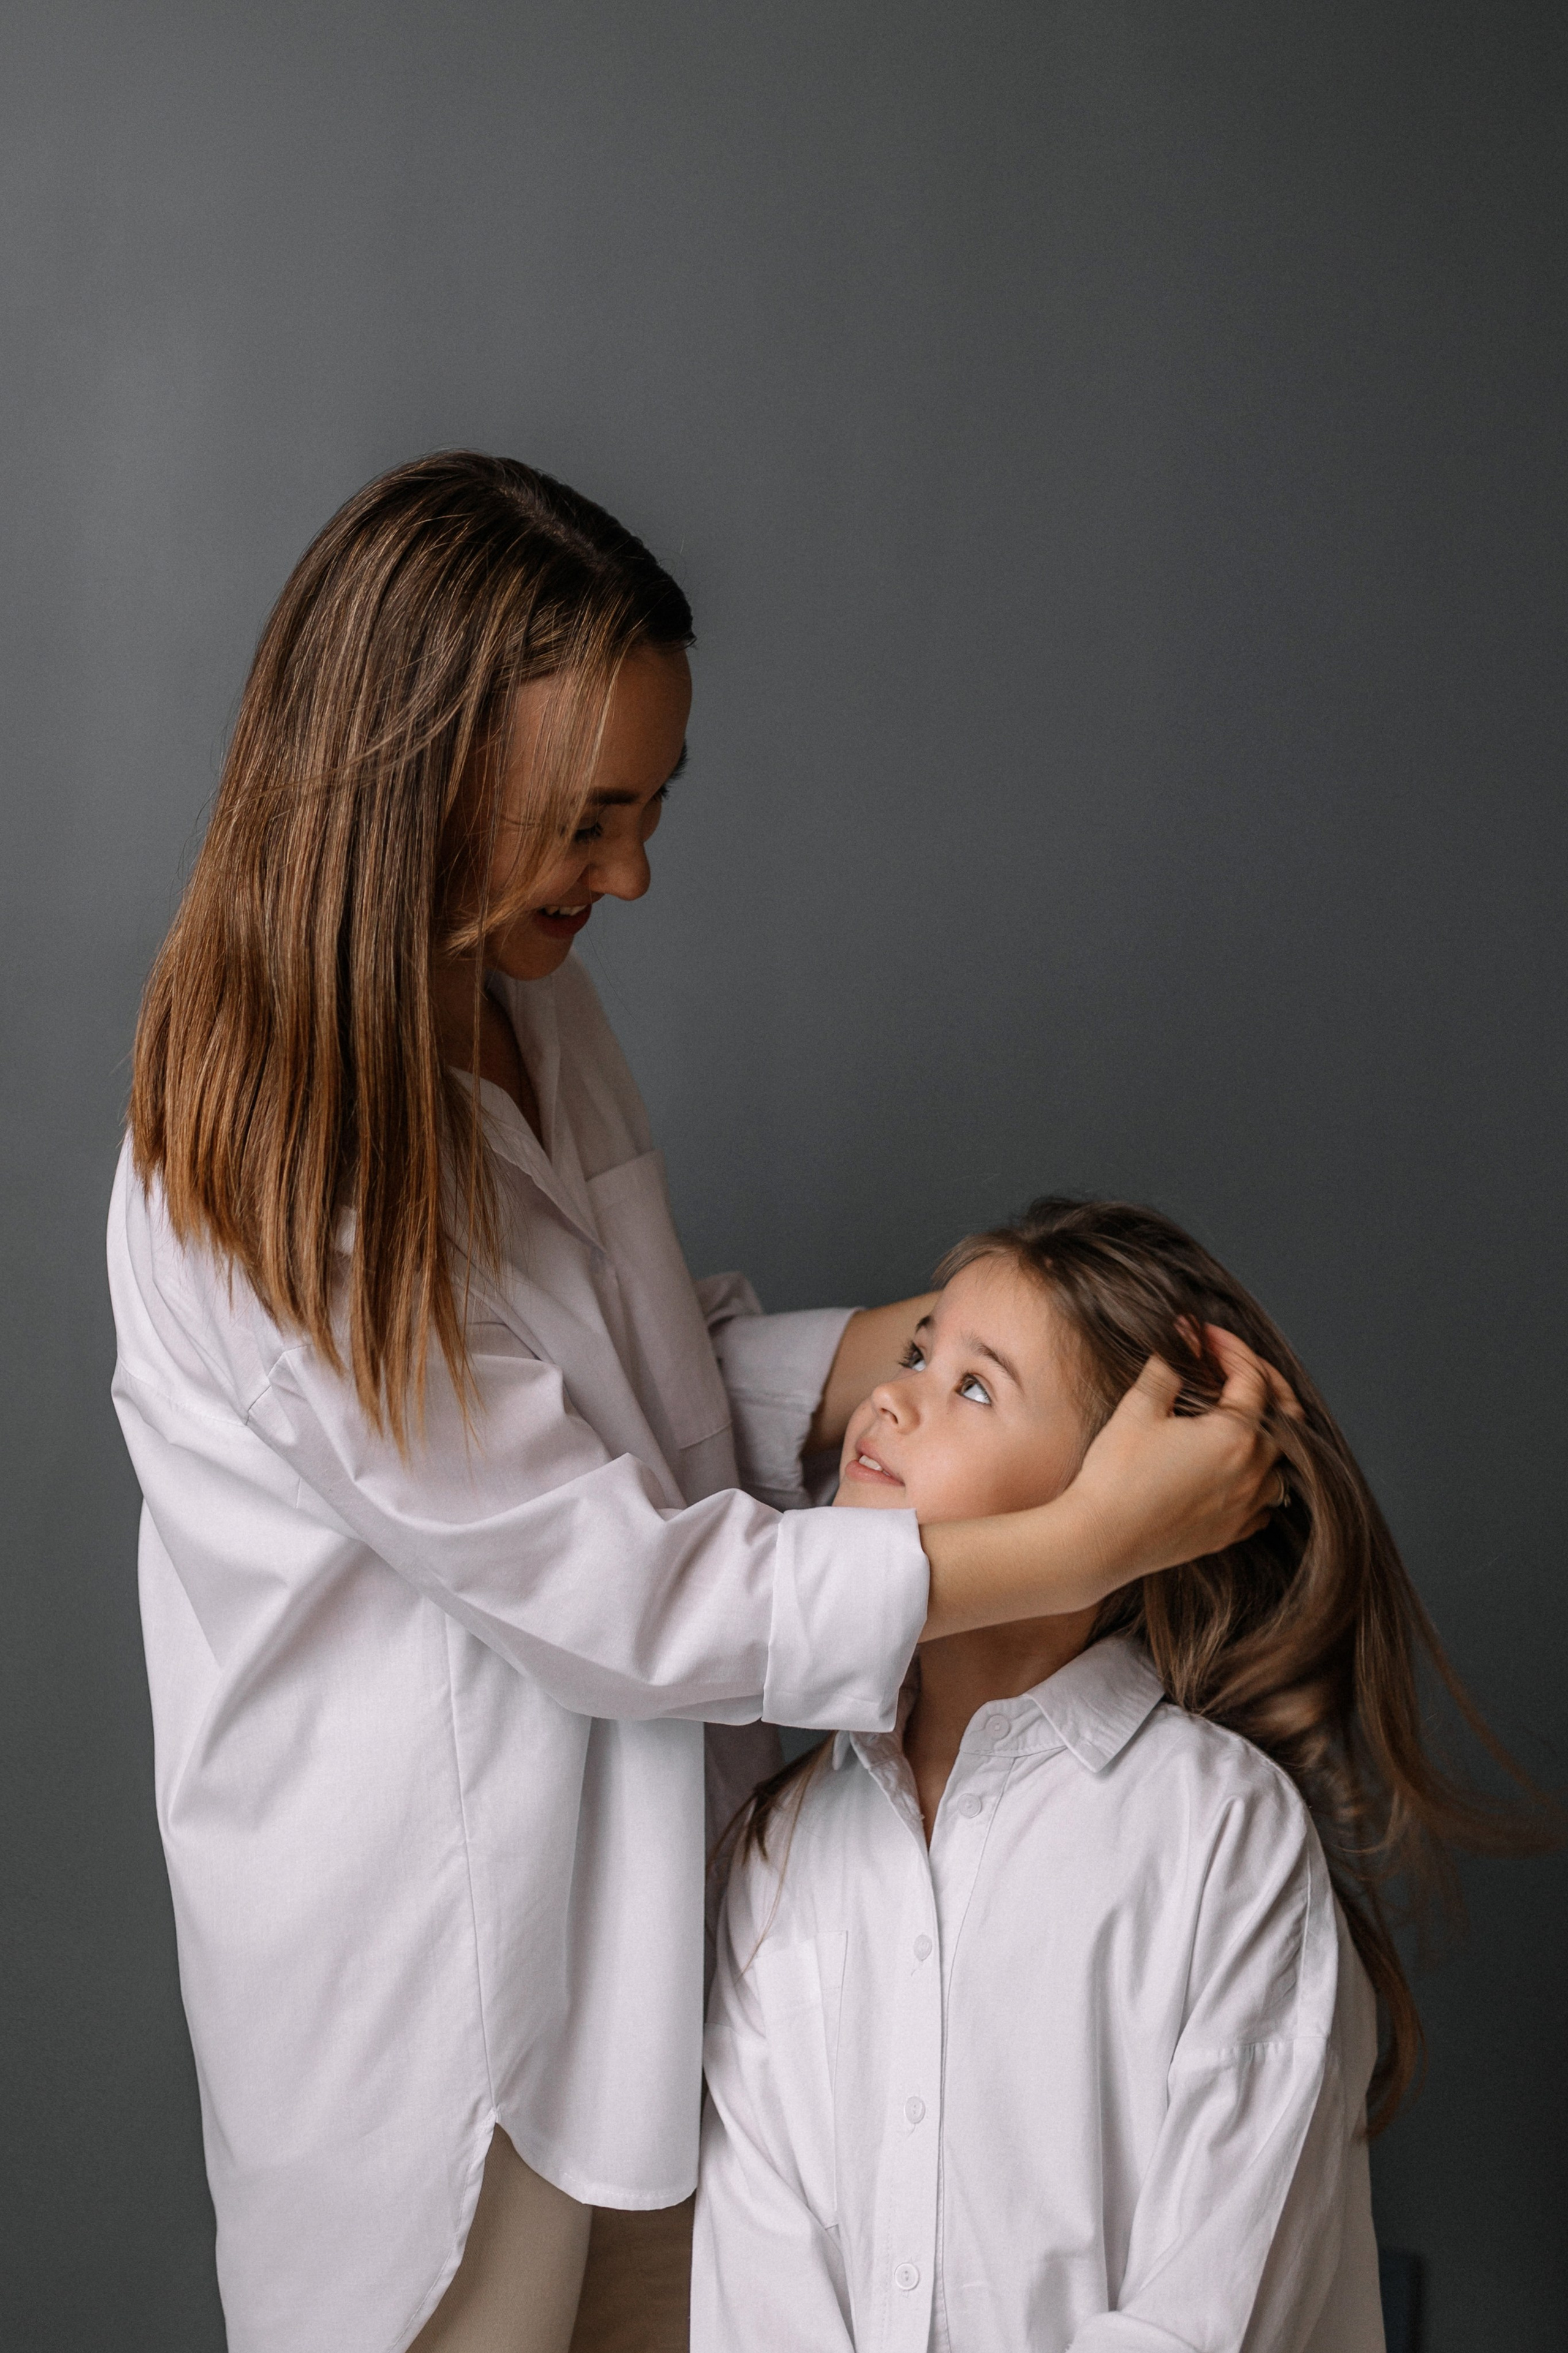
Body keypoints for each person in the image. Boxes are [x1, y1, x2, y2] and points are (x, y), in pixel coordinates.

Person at [108, 456, 1291, 2353]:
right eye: (589, 817)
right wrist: (1081, 1535)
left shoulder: (529, 998)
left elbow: (635, 1385)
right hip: (449, 2022)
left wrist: (963, 1331)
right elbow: (620, 1598)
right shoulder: (281, 1170)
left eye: (652, 810)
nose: (632, 871)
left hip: (653, 1951)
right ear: (423, 781)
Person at [695, 1196, 1551, 2353]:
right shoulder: (778, 1852)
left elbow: (1206, 2314)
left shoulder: (1223, 1839)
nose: (888, 1397)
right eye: (914, 1353)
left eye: (975, 1386)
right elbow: (760, 2300)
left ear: (1131, 1503)